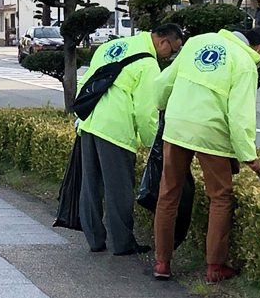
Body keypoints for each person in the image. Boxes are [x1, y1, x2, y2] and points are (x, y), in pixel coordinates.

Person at [152, 27, 260, 283]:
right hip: (211, 132)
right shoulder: (244, 63)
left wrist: (163, 106)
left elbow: (163, 83)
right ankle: (215, 267)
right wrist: (249, 155)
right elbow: (240, 115)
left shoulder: (197, 42)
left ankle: (162, 262)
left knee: (168, 194)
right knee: (220, 198)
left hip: (177, 126)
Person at [77, 24, 184, 256]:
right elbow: (146, 112)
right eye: (173, 49)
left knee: (91, 184)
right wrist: (151, 144)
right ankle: (122, 243)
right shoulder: (148, 63)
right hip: (116, 128)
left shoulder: (112, 45)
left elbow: (83, 81)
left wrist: (81, 116)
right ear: (163, 40)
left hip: (90, 122)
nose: (171, 55)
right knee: (119, 189)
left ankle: (94, 239)